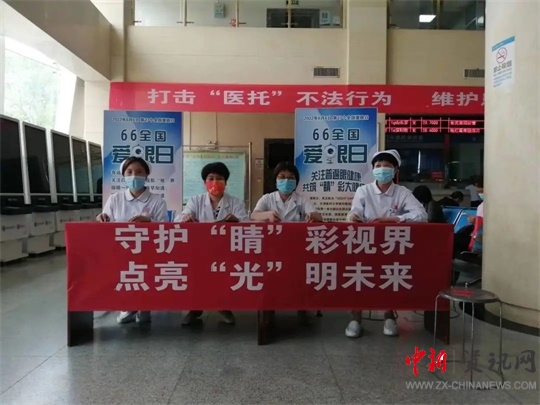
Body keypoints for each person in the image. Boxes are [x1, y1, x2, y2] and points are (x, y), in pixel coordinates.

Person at [346, 149, 428, 338]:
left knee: (389, 278)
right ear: (373, 169)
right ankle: (356, 318)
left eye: (387, 166)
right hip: (365, 243)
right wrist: (353, 217)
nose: (382, 169)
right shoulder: (363, 191)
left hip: (391, 245)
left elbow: (422, 215)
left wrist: (394, 219)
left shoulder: (402, 192)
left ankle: (389, 315)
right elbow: (354, 212)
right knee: (359, 278)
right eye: (378, 166)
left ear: (395, 170)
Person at [96, 156, 168, 325]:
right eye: (129, 172)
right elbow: (107, 222)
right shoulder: (115, 199)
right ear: (123, 175)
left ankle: (144, 307)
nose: (134, 176)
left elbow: (165, 228)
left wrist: (149, 222)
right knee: (126, 277)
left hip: (148, 251)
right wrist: (102, 218)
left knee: (144, 277)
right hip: (121, 250)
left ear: (147, 175)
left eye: (139, 172)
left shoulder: (157, 201)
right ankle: (127, 307)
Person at [176, 162, 249, 326]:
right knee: (198, 278)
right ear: (204, 182)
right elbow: (179, 219)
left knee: (223, 278)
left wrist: (237, 221)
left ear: (226, 182)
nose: (215, 182)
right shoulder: (195, 200)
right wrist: (186, 218)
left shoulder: (235, 202)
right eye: (211, 178)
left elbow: (246, 223)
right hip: (201, 249)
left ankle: (224, 308)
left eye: (219, 178)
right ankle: (195, 309)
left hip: (226, 249)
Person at [251, 161, 323, 321]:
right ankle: (270, 307)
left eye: (291, 178)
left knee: (298, 278)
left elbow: (317, 215)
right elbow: (254, 215)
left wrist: (313, 216)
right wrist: (267, 215)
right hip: (271, 249)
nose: (286, 181)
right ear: (276, 180)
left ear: (296, 181)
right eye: (282, 177)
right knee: (272, 279)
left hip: (297, 249)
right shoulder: (267, 198)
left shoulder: (302, 199)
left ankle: (301, 306)